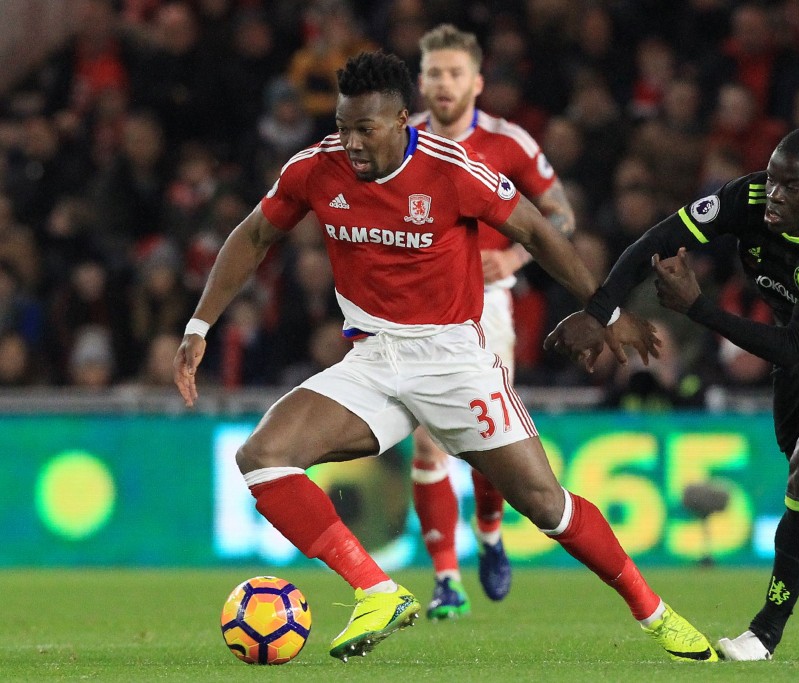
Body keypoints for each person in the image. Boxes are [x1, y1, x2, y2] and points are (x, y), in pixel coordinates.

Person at [173, 50, 717, 664]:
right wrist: (200, 324)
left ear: (404, 119)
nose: (350, 141)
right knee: (264, 458)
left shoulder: (452, 170)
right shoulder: (315, 168)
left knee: (545, 505)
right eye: (345, 126)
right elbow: (254, 234)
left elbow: (537, 231)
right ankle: (376, 590)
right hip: (373, 358)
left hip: (453, 360)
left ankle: (656, 613)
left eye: (366, 129)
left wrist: (606, 312)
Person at [545, 127, 799, 661]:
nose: (775, 195)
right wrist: (599, 310)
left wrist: (699, 309)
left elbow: (790, 347)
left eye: (792, 187)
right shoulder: (745, 198)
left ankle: (764, 632)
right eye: (772, 179)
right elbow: (655, 240)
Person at [404, 23, 577, 619]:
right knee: (427, 445)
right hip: (417, 314)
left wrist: (514, 253)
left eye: (454, 73)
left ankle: (489, 530)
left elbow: (560, 214)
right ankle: (446, 580)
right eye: (433, 73)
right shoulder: (400, 143)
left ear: (477, 81)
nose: (443, 83)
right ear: (420, 81)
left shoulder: (508, 142)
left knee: (484, 443)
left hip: (486, 308)